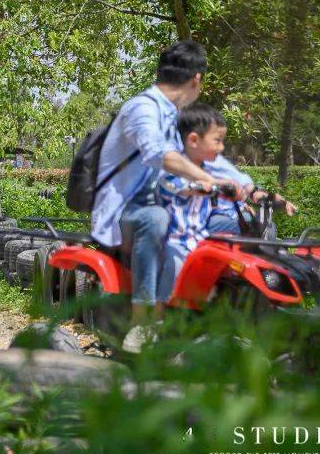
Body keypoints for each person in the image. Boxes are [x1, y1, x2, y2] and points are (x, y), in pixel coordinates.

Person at [90, 41, 242, 351]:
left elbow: (206, 160)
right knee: (156, 218)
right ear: (196, 79)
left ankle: (212, 310)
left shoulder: (174, 116)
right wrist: (206, 179)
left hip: (168, 199)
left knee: (232, 221)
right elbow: (159, 154)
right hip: (127, 209)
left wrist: (248, 189)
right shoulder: (142, 108)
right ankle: (143, 321)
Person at [157, 103, 297, 299]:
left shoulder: (212, 162)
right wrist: (210, 187)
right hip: (175, 237)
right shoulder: (172, 164)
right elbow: (179, 187)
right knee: (177, 266)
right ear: (193, 140)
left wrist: (275, 199)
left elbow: (246, 187)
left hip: (200, 234)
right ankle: (157, 320)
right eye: (217, 141)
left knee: (259, 232)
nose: (221, 147)